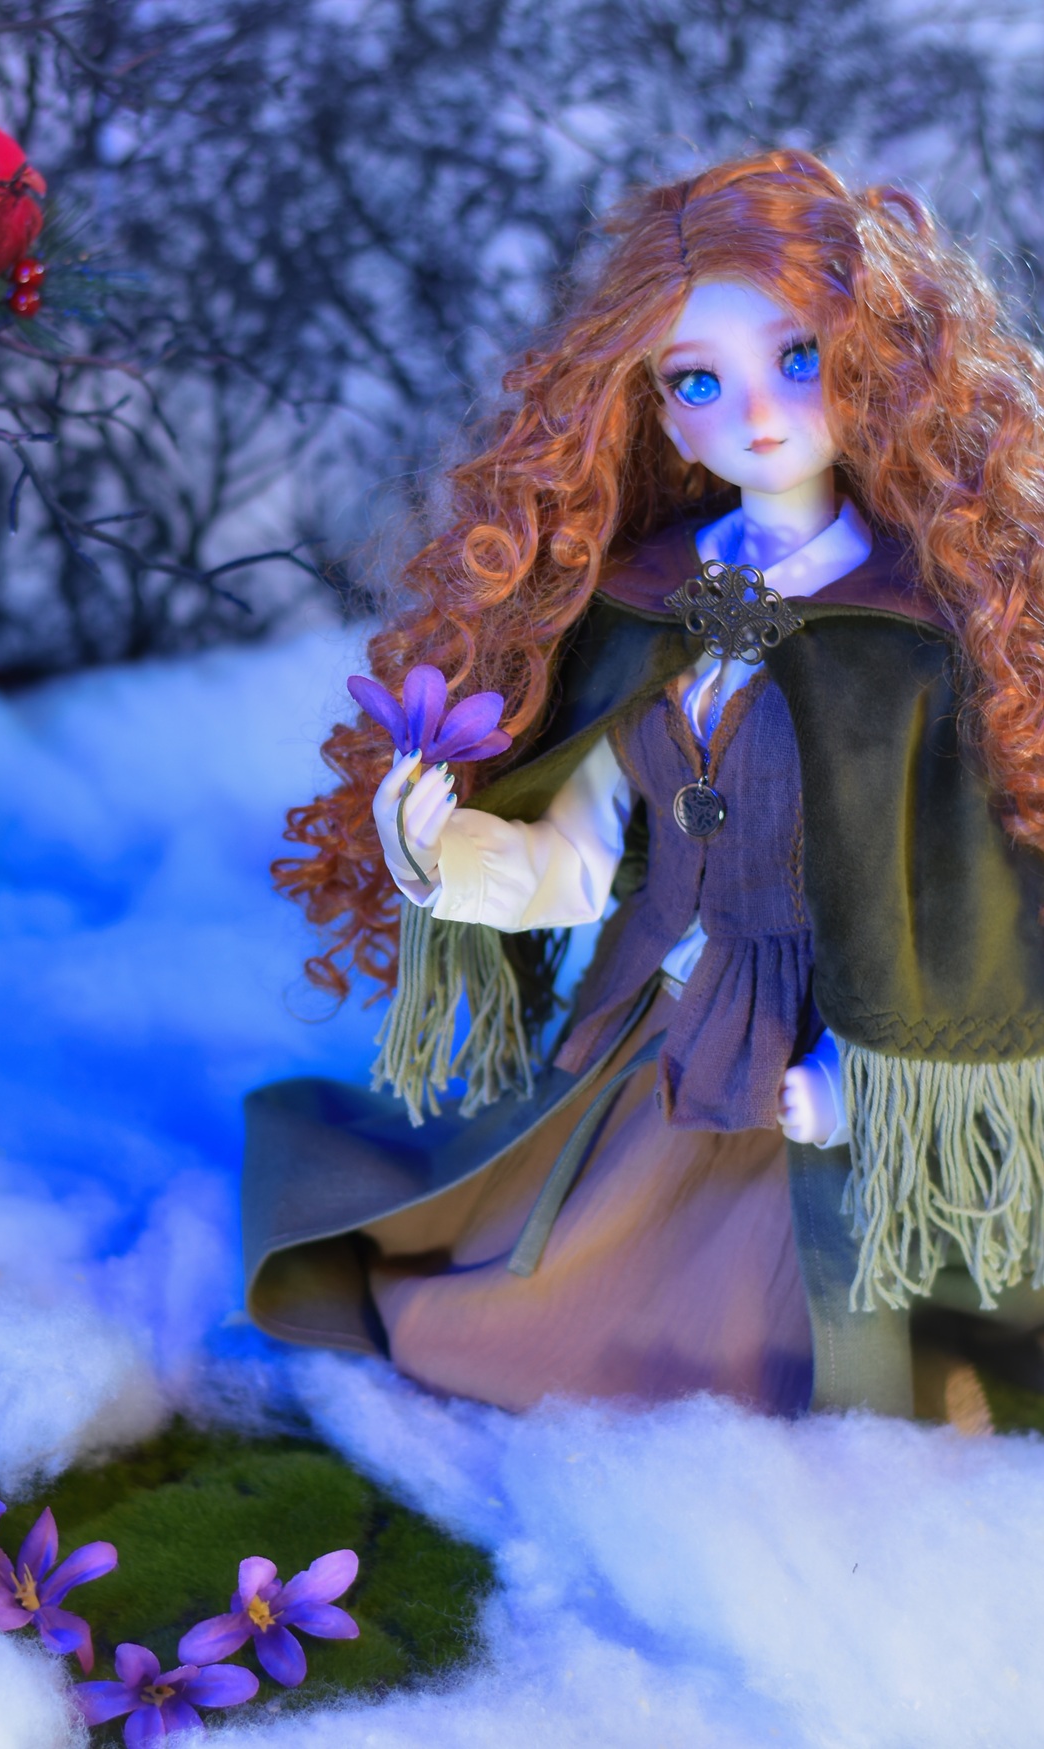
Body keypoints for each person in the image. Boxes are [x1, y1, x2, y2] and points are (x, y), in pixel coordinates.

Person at [245, 150, 1044, 1421]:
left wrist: (867, 1077)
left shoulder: (921, 637)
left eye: (796, 357)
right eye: (697, 380)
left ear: (876, 362)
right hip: (650, 1025)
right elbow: (575, 858)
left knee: (811, 1358)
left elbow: (970, 904)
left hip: (823, 1052)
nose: (757, 414)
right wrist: (444, 858)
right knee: (506, 1322)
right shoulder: (644, 603)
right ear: (661, 416)